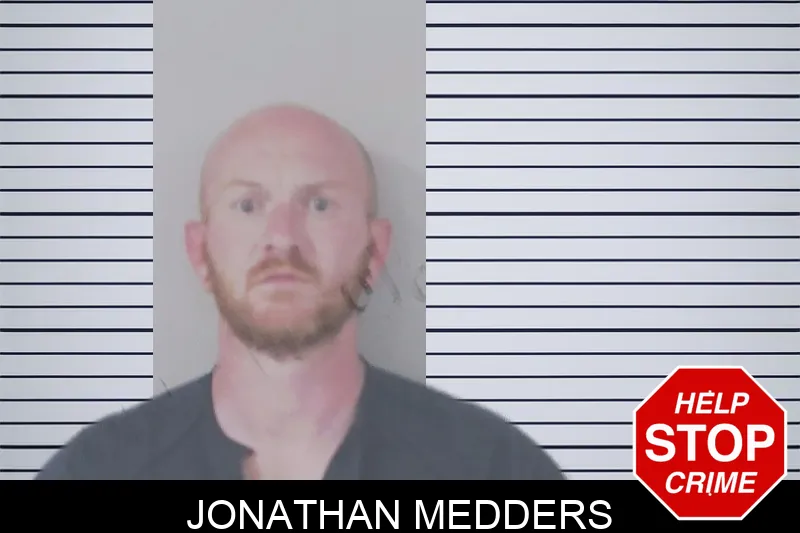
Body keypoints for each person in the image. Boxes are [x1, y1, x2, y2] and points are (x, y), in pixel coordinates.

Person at [36, 104, 564, 480]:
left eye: (320, 205)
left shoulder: (492, 469)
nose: (283, 236)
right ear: (199, 251)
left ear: (376, 250)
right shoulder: (98, 470)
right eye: (248, 205)